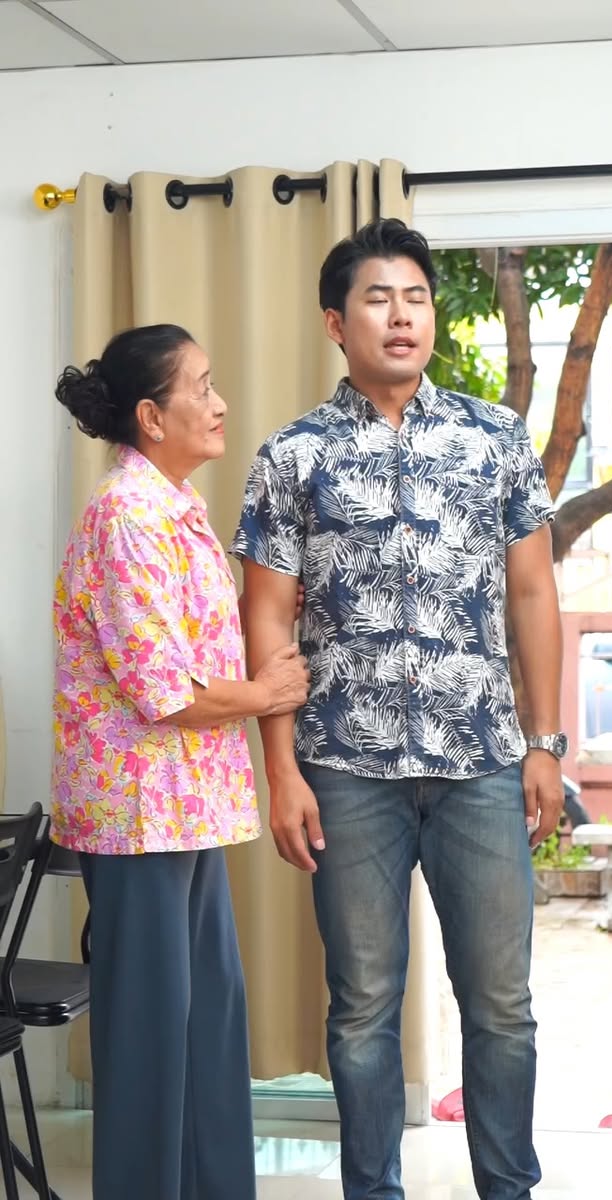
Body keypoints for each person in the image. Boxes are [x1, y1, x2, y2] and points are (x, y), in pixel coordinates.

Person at [232, 220, 566, 1200]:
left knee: (502, 1007)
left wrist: (545, 745)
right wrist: (281, 770)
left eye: (415, 297)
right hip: (344, 769)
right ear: (337, 323)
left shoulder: (495, 438)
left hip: (481, 764)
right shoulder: (291, 455)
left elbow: (533, 594)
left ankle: (509, 1189)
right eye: (377, 298)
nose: (401, 315)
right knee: (362, 1009)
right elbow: (266, 617)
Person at [51, 324, 310, 1200]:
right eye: (201, 387)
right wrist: (266, 692)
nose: (220, 403)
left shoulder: (173, 506)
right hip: (138, 816)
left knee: (206, 1028)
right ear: (152, 417)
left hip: (185, 807)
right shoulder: (126, 516)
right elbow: (162, 688)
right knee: (152, 1039)